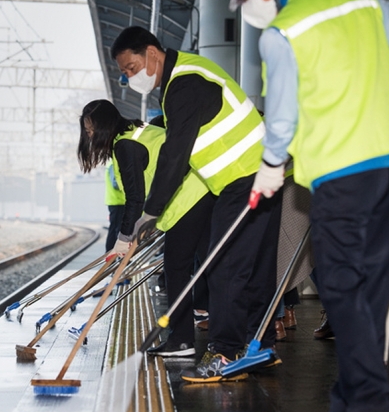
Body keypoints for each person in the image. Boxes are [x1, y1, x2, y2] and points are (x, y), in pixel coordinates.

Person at [230, 0, 389, 412]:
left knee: (342, 290)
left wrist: (269, 166)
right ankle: (346, 409)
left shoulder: (284, 31)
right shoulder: (365, 3)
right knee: (371, 290)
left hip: (342, 171)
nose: (247, 9)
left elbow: (282, 118)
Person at [110, 26, 283, 383]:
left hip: (244, 179)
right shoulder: (190, 73)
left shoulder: (184, 84)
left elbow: (176, 156)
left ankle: (225, 352)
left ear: (152, 54)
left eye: (130, 68)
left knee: (224, 265)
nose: (129, 78)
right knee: (256, 266)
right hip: (260, 175)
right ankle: (258, 346)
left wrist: (151, 213)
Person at [77, 99, 211, 357]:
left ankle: (182, 341)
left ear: (105, 126)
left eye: (91, 130)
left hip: (187, 201)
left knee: (177, 269)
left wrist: (123, 239)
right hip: (200, 194)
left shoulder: (125, 146)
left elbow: (134, 199)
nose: (90, 136)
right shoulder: (136, 132)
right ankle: (234, 336)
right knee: (212, 266)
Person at [104, 162, 126, 252]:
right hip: (117, 201)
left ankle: (111, 254)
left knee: (114, 229)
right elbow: (115, 184)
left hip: (117, 201)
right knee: (115, 230)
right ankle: (111, 254)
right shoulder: (114, 164)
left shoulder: (112, 164)